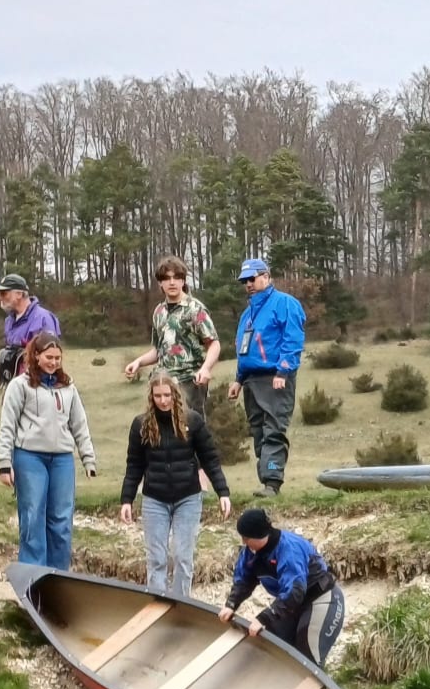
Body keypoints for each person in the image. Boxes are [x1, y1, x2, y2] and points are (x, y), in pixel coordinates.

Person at [120, 372, 233, 596]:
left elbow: (210, 459)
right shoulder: (140, 425)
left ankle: (182, 605)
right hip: (154, 498)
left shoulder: (192, 421)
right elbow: (134, 465)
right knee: (156, 559)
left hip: (188, 497)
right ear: (151, 397)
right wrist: (127, 500)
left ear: (175, 394)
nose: (163, 400)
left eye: (167, 395)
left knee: (183, 557)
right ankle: (157, 604)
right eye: (158, 395)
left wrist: (223, 492)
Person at [0, 333, 97, 569]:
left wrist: (88, 459)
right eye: (48, 357)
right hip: (29, 457)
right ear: (36, 356)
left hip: (61, 458)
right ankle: (33, 572)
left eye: (57, 358)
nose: (53, 362)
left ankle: (57, 574)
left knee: (61, 519)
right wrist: (4, 463)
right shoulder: (20, 386)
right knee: (32, 515)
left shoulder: (68, 387)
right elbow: (7, 426)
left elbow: (79, 424)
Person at [217, 509, 345, 667]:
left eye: (246, 538)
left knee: (307, 658)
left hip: (321, 599)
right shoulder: (250, 552)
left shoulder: (289, 548)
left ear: (259, 535)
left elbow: (294, 592)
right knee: (273, 648)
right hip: (293, 605)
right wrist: (231, 604)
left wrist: (264, 618)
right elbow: (244, 580)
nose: (243, 542)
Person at [226, 257, 306, 497]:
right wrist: (238, 380)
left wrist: (283, 370)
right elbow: (244, 348)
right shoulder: (247, 314)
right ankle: (265, 482)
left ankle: (272, 482)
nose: (249, 284)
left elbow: (292, 340)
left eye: (253, 278)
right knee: (258, 431)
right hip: (251, 379)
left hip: (275, 377)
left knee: (273, 429)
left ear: (266, 277)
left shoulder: (285, 303)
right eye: (245, 281)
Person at [123, 255, 220, 420]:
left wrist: (205, 369)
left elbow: (214, 344)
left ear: (183, 281)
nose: (172, 282)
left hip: (190, 382)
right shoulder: (159, 312)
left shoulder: (195, 309)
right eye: (167, 278)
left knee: (190, 429)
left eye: (177, 277)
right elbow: (158, 350)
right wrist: (138, 362)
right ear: (160, 283)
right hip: (163, 382)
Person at [0, 273, 61, 389]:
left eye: (4, 293)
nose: (0, 297)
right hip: (14, 386)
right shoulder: (9, 320)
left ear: (19, 294)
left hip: (38, 386)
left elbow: (51, 356)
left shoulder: (43, 318)